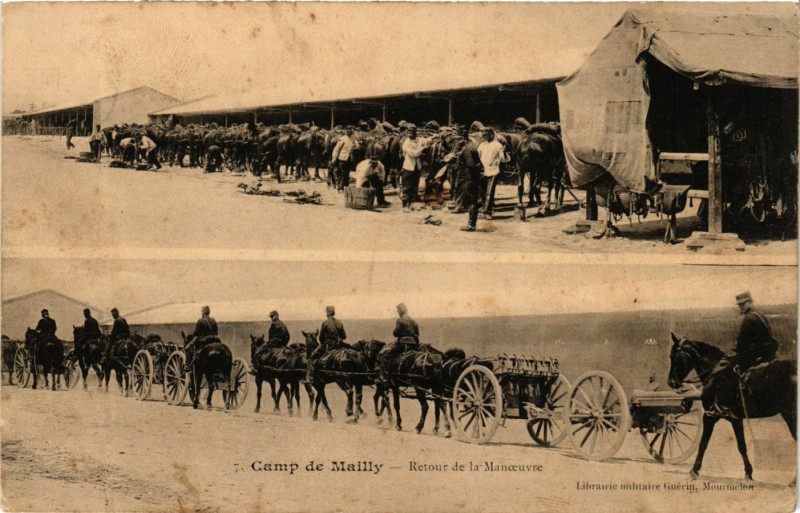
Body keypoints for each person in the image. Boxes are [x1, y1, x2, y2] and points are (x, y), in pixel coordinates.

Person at [704, 292, 779, 410]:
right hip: (768, 352)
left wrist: (734, 352)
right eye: (739, 305)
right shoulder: (760, 315)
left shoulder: (749, 318)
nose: (741, 307)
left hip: (755, 353)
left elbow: (742, 341)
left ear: (750, 302)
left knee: (727, 370)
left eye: (743, 304)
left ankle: (727, 405)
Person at [377, 303, 420, 384]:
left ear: (400, 311)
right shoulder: (413, 320)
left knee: (386, 355)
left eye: (398, 311)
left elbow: (396, 333)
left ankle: (384, 377)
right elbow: (417, 333)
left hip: (403, 343)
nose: (398, 313)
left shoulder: (400, 320)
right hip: (414, 344)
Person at [457, 125, 485, 231]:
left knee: (471, 201)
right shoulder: (472, 148)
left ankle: (471, 224)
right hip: (472, 178)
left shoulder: (467, 150)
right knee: (472, 200)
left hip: (468, 178)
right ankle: (471, 223)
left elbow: (471, 165)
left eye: (459, 139)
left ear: (463, 138)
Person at [400, 125, 429, 212]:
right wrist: (423, 148)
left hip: (417, 167)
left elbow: (426, 140)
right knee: (406, 186)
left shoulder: (419, 139)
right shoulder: (406, 142)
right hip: (408, 167)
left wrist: (434, 137)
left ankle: (412, 204)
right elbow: (413, 154)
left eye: (411, 132)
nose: (409, 133)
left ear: (415, 132)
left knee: (415, 186)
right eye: (408, 132)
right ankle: (405, 205)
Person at [477, 127, 504, 220]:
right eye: (483, 135)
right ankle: (485, 208)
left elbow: (502, 158)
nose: (484, 137)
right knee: (482, 193)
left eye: (486, 135)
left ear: (491, 135)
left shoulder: (498, 145)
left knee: (489, 193)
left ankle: (487, 212)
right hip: (482, 172)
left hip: (493, 171)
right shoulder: (481, 145)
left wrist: (498, 161)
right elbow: (478, 156)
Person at [185, 306, 218, 370]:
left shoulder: (201, 321)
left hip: (204, 341)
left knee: (188, 348)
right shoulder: (214, 320)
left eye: (201, 311)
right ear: (209, 312)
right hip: (215, 340)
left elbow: (196, 333)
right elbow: (216, 333)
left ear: (203, 312)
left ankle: (187, 365)